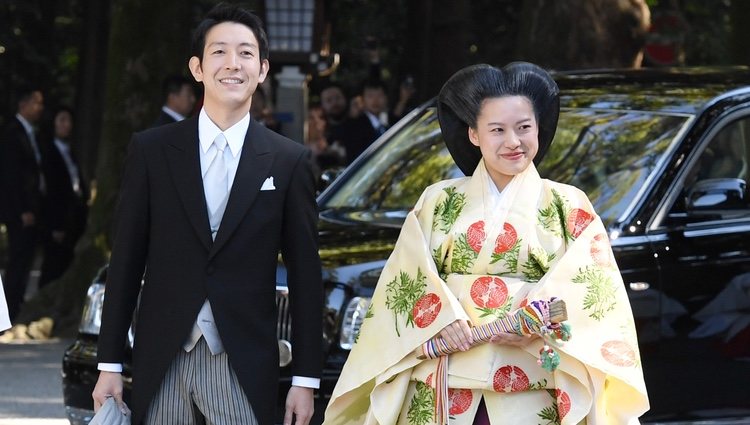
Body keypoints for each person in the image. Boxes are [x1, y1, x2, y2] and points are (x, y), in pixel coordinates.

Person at [324, 63, 649, 424]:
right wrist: (441, 317)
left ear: (538, 128)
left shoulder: (568, 205)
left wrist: (534, 321)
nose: (513, 141)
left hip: (531, 382)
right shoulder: (437, 201)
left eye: (524, 127)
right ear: (474, 135)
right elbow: (405, 279)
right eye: (497, 130)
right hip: (444, 381)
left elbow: (594, 294)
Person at [91, 4, 323, 425]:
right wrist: (109, 364)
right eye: (219, 52)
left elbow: (306, 277)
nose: (233, 64)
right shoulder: (151, 151)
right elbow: (125, 261)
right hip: (162, 357)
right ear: (197, 68)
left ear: (263, 69)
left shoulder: (289, 161)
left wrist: (304, 379)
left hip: (242, 360)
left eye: (246, 53)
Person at [0, 86, 45, 323]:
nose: (40, 108)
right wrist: (22, 210)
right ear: (23, 104)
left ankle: (15, 306)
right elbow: (11, 176)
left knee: (25, 260)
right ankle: (9, 310)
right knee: (17, 261)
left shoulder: (30, 133)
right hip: (19, 211)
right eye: (36, 103)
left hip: (30, 208)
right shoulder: (12, 134)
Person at [38, 106, 89, 288]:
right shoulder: (49, 153)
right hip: (58, 219)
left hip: (73, 216)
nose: (67, 125)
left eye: (69, 121)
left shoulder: (69, 151)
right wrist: (55, 225)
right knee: (53, 264)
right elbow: (51, 192)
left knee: (65, 262)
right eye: (62, 120)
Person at [331, 79, 395, 164]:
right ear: (362, 99)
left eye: (380, 96)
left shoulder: (394, 120)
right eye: (370, 96)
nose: (375, 101)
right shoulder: (354, 125)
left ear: (386, 98)